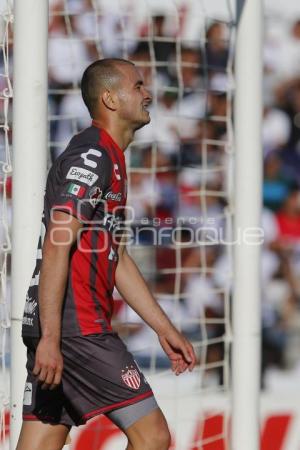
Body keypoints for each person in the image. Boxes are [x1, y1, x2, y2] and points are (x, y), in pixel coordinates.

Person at [17, 58, 196, 450]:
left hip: (62, 327)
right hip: (75, 328)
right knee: (152, 437)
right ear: (111, 99)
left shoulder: (110, 157)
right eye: (138, 86)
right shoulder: (93, 156)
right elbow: (57, 243)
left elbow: (115, 256)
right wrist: (52, 336)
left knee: (39, 444)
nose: (148, 94)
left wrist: (164, 328)